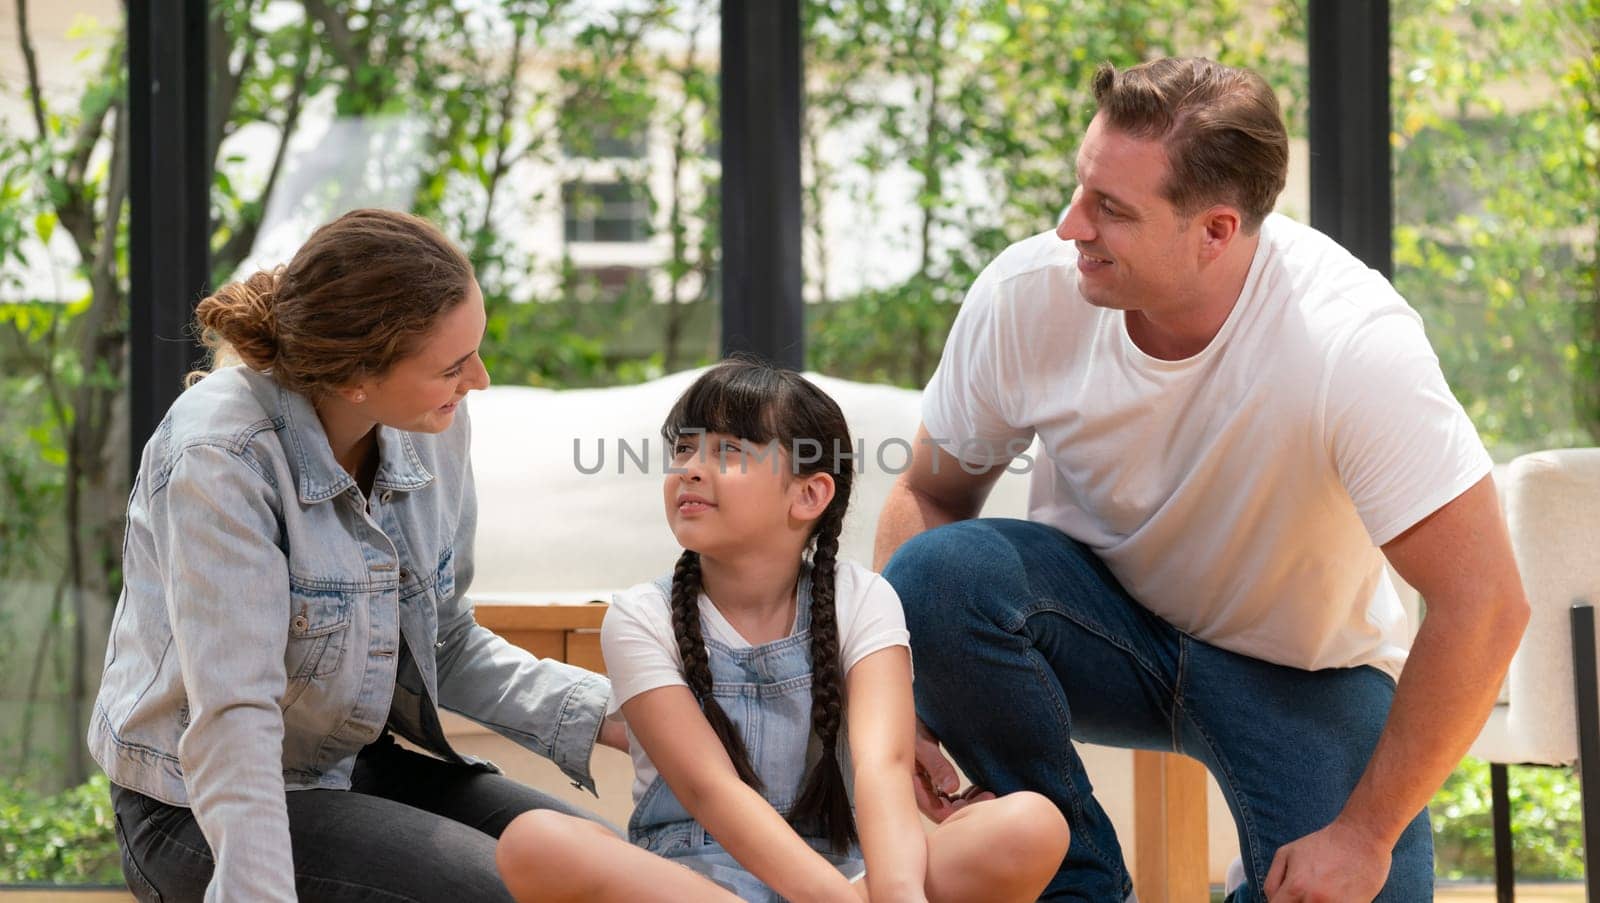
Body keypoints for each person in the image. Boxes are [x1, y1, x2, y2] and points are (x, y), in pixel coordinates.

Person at [874, 57, 1530, 902]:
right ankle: (1080, 881)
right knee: (940, 573)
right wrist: (905, 700)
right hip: (1094, 628)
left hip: (1297, 668)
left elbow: (1486, 602)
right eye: (1081, 189)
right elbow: (927, 493)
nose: (1072, 225)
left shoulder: (1350, 346)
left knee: (1374, 889)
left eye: (1111, 209)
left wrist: (1363, 836)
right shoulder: (1031, 293)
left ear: (1216, 230)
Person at [89, 208, 626, 902]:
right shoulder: (221, 456)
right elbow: (236, 716)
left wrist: (617, 717)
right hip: (193, 808)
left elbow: (446, 640)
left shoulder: (431, 425)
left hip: (344, 766)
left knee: (612, 875)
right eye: (453, 366)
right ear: (354, 378)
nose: (482, 380)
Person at [495, 358, 1070, 902]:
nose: (690, 467)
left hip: (850, 875)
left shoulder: (864, 599)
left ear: (808, 494)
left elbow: (883, 766)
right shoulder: (639, 617)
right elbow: (709, 790)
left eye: (728, 451)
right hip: (694, 884)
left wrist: (898, 894)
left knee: (1030, 824)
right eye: (684, 448)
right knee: (536, 841)